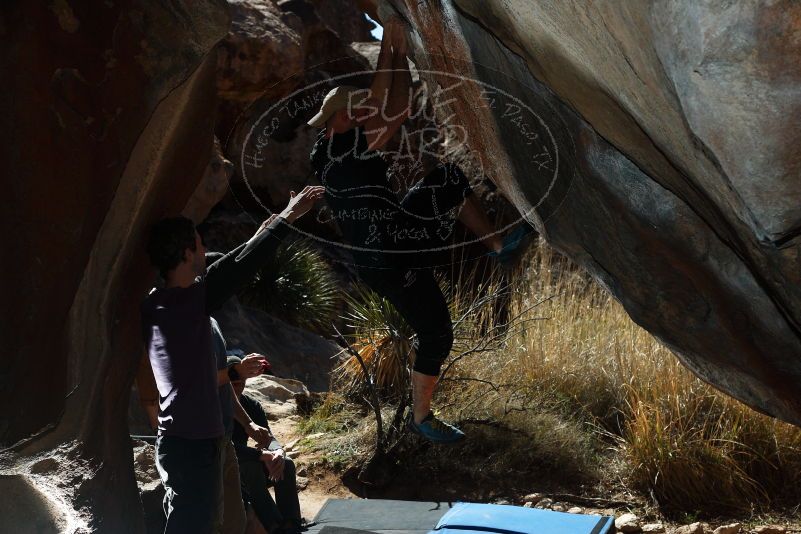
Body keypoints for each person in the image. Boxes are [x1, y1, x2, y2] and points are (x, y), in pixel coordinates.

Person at [307, 19, 525, 443]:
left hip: (394, 235)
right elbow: (396, 104)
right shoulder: (346, 147)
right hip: (388, 256)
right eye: (358, 109)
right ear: (342, 116)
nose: (366, 110)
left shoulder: (329, 147)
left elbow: (381, 100)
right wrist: (397, 50)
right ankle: (421, 418)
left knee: (447, 180)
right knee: (437, 332)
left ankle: (499, 246)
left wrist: (392, 41)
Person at [140, 185, 324, 533]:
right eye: (199, 244)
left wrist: (265, 228)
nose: (205, 249)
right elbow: (236, 269)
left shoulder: (164, 301)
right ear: (185, 253)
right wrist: (287, 218)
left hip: (210, 441)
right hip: (189, 448)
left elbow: (228, 265)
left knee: (232, 522)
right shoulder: (182, 307)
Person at [228, 356, 303, 534]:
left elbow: (268, 437)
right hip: (227, 464)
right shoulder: (216, 408)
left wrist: (277, 452)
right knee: (250, 466)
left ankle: (291, 523)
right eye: (232, 381)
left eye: (240, 381)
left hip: (249, 458)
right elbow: (224, 446)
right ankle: (273, 524)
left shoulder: (251, 405)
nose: (237, 385)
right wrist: (259, 455)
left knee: (287, 464)